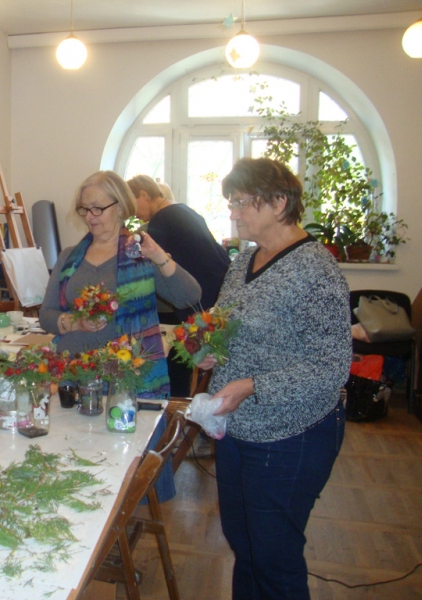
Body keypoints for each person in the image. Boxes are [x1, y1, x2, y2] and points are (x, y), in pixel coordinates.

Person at [197, 158, 351, 600]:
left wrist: (252, 386)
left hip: (291, 436)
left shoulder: (315, 270)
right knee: (244, 546)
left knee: (274, 558)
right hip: (237, 430)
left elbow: (332, 365)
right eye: (231, 203)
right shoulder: (244, 260)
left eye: (241, 202)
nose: (233, 213)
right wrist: (212, 349)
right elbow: (227, 322)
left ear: (279, 202)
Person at [40, 170, 201, 399]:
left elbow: (189, 297)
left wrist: (158, 256)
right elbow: (46, 314)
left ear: (120, 207)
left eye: (97, 208)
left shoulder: (140, 255)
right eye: (84, 209)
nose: (90, 216)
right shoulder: (69, 258)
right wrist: (75, 322)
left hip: (126, 383)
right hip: (72, 378)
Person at [127, 175, 231, 396]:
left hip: (200, 297)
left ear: (144, 195)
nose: (132, 213)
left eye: (132, 203)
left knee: (178, 355)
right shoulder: (184, 210)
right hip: (219, 289)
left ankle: (174, 402)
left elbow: (147, 269)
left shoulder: (162, 219)